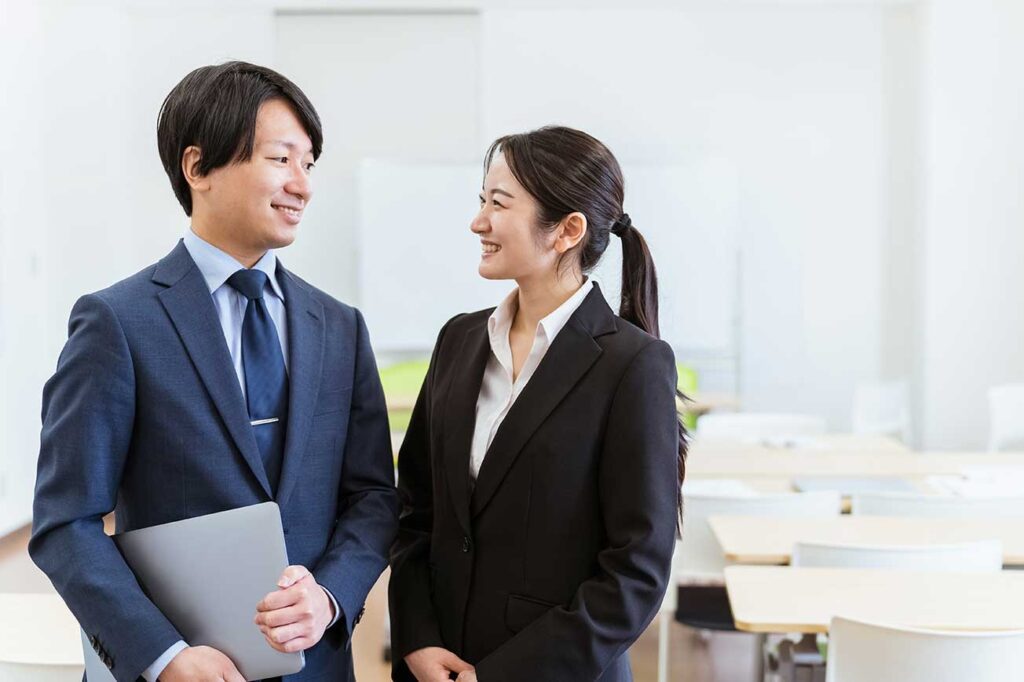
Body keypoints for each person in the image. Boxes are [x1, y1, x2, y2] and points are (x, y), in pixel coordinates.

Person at [30, 61, 399, 682]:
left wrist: (330, 596)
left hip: (313, 666)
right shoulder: (116, 321)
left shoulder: (340, 327)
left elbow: (372, 497)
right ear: (197, 167)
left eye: (309, 164)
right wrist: (163, 656)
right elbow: (66, 522)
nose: (302, 185)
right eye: (281, 159)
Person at [389, 126, 686, 682]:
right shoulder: (459, 340)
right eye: (482, 201)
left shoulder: (632, 365)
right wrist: (416, 638)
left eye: (499, 204)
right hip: (434, 667)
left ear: (568, 230)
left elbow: (636, 571)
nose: (479, 221)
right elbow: (416, 511)